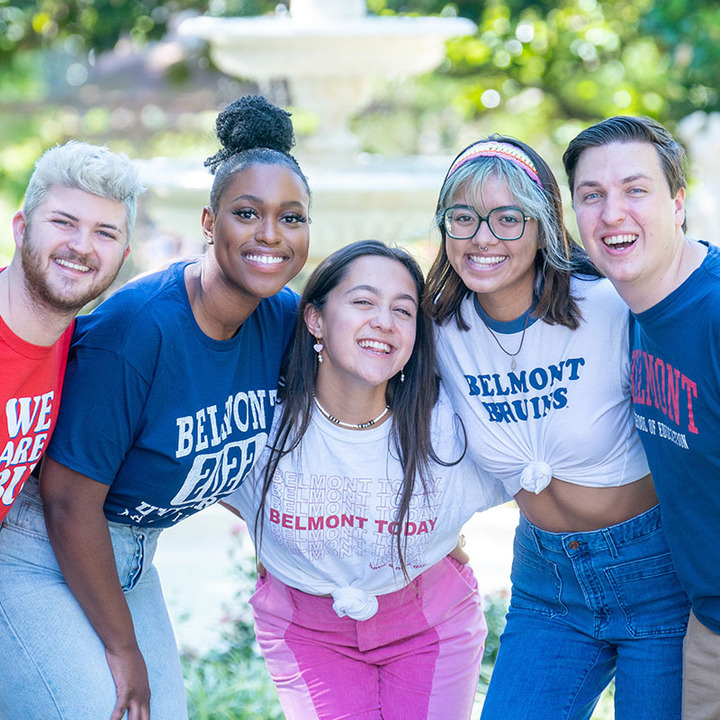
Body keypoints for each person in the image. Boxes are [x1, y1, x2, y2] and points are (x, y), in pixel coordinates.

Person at [0, 95, 311, 720]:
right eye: (247, 212)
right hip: (45, 547)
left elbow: (355, 405)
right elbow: (66, 502)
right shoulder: (135, 332)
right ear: (208, 221)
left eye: (292, 217)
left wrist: (423, 514)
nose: (270, 234)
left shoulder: (282, 321)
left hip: (135, 554)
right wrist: (123, 651)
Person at [423, 136, 690, 720]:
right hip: (549, 584)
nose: (482, 237)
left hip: (656, 575)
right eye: (462, 218)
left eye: (508, 218)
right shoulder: (437, 333)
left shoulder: (612, 307)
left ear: (544, 224)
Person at [223, 239, 508, 720]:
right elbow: (191, 478)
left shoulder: (445, 427)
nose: (384, 321)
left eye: (403, 310)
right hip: (307, 631)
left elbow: (539, 464)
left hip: (430, 623)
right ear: (315, 319)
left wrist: (437, 535)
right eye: (362, 302)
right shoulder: (262, 425)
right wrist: (277, 543)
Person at [563, 116, 719, 720]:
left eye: (635, 190)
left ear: (678, 203)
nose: (612, 214)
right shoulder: (626, 312)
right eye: (592, 196)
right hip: (707, 628)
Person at [0, 141, 143, 522]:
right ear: (22, 228)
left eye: (105, 234)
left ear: (123, 256)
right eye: (63, 222)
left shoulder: (72, 340)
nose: (81, 247)